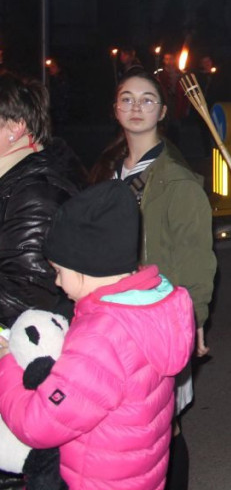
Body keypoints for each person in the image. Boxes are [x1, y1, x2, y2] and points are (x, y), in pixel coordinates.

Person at [0, 181, 194, 490]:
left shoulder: (103, 337)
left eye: (59, 271)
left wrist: (8, 363)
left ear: (83, 267)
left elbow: (38, 424)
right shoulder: (149, 306)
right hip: (139, 477)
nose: (58, 283)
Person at [89, 67, 216, 490]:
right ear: (114, 108)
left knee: (163, 427)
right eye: (127, 98)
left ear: (162, 111)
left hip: (154, 319)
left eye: (146, 99)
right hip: (107, 318)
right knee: (123, 429)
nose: (136, 107)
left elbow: (197, 259)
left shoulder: (177, 180)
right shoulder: (107, 170)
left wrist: (195, 319)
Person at [0, 72, 82, 329]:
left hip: (25, 348)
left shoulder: (37, 192)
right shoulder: (15, 180)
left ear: (15, 127)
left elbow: (28, 294)